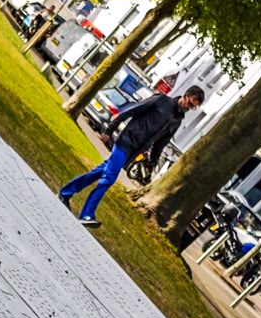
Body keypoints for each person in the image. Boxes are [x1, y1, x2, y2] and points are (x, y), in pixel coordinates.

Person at [58, 86, 206, 225]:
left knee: (101, 171)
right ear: (185, 95)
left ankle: (65, 193)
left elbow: (160, 144)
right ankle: (87, 214)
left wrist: (152, 164)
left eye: (193, 107)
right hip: (126, 141)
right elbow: (132, 110)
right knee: (109, 178)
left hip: (135, 152)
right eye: (190, 103)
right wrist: (110, 130)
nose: (189, 108)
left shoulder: (177, 121)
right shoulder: (161, 100)